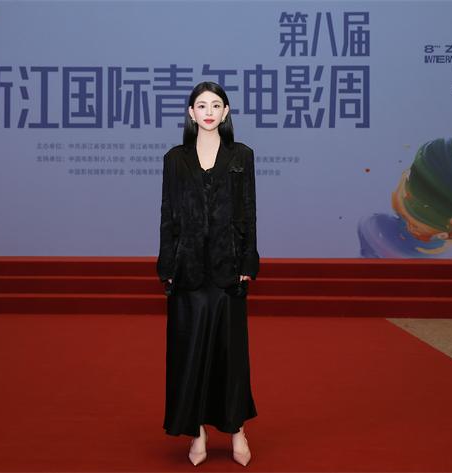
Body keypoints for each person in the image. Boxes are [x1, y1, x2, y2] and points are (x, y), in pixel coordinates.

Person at [157, 81, 260, 467]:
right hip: (188, 271)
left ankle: (237, 430)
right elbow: (168, 215)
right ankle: (196, 432)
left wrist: (248, 263)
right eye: (201, 105)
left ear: (226, 111)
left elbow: (248, 211)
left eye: (216, 105)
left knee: (230, 356)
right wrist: (167, 266)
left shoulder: (241, 155)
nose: (209, 112)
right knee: (189, 355)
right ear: (191, 113)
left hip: (227, 270)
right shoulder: (175, 158)